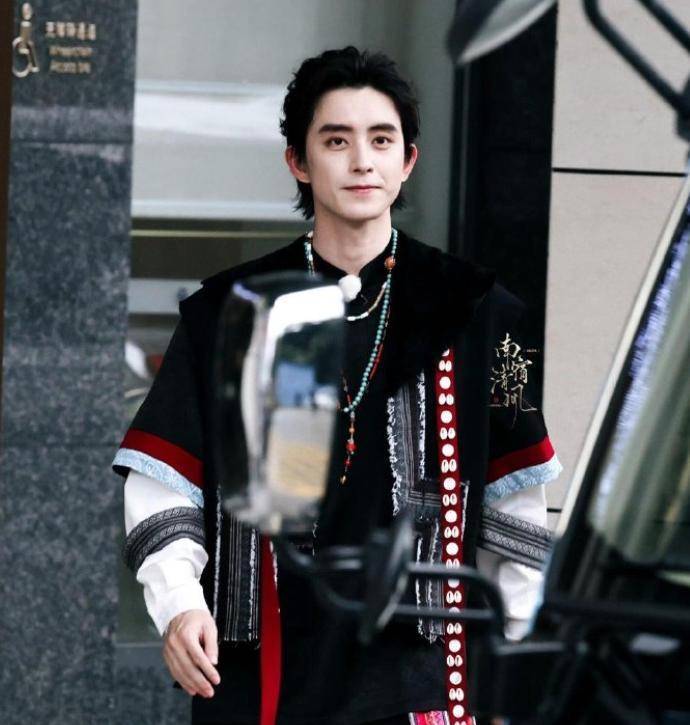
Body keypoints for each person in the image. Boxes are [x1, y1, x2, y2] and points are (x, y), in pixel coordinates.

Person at [113, 46, 562, 725]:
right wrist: (179, 604)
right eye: (336, 140)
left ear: (408, 160)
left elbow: (517, 505)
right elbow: (165, 480)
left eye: (381, 140)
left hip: (419, 677)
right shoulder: (230, 311)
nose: (361, 161)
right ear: (298, 161)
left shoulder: (478, 312)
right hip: (265, 674)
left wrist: (513, 662)